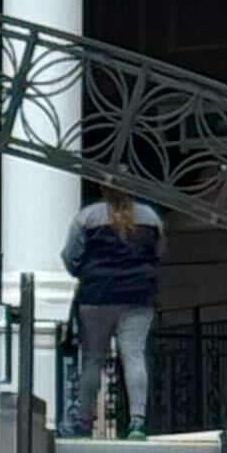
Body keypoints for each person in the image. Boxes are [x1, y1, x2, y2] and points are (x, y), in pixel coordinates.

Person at [61, 180, 162, 435]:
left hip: (96, 296)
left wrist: (83, 271)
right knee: (134, 356)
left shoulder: (87, 217)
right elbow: (158, 252)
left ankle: (84, 421)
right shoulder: (150, 217)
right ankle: (137, 421)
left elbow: (70, 255)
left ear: (103, 189)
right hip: (139, 296)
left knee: (93, 359)